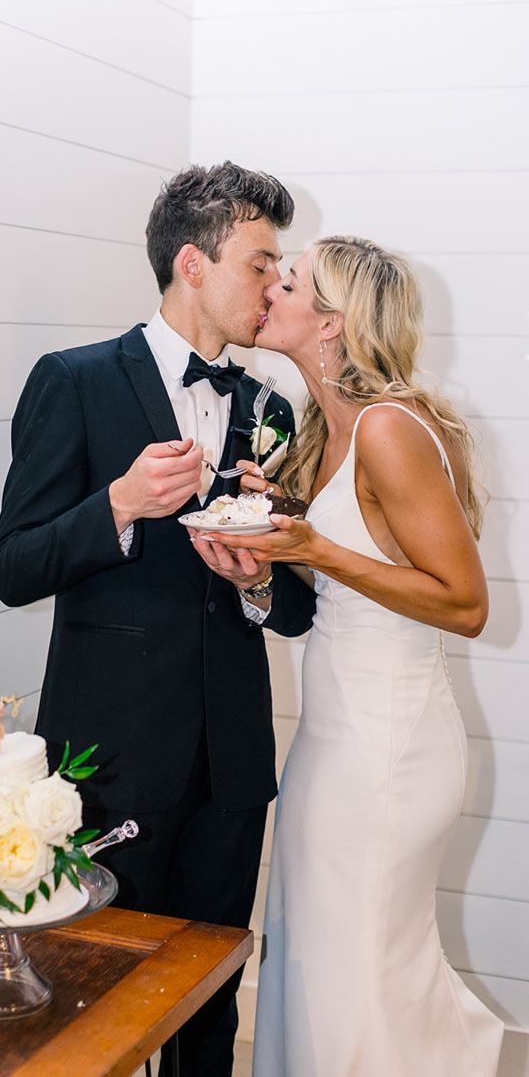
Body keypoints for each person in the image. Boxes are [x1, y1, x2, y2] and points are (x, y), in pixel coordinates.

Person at [0, 162, 316, 1076]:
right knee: (93, 995)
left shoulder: (268, 408)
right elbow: (12, 567)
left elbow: (292, 608)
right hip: (114, 759)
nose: (273, 286)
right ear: (192, 264)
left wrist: (258, 578)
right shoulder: (75, 381)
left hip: (234, 760)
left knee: (208, 999)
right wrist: (121, 506)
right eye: (261, 263)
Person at [190, 236, 504, 1076]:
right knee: (317, 966)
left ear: (330, 323)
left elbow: (467, 605)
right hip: (334, 740)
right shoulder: (318, 428)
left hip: (389, 749)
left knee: (359, 976)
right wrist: (261, 565)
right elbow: (315, 597)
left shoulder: (391, 429)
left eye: (284, 282)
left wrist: (315, 550)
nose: (267, 291)